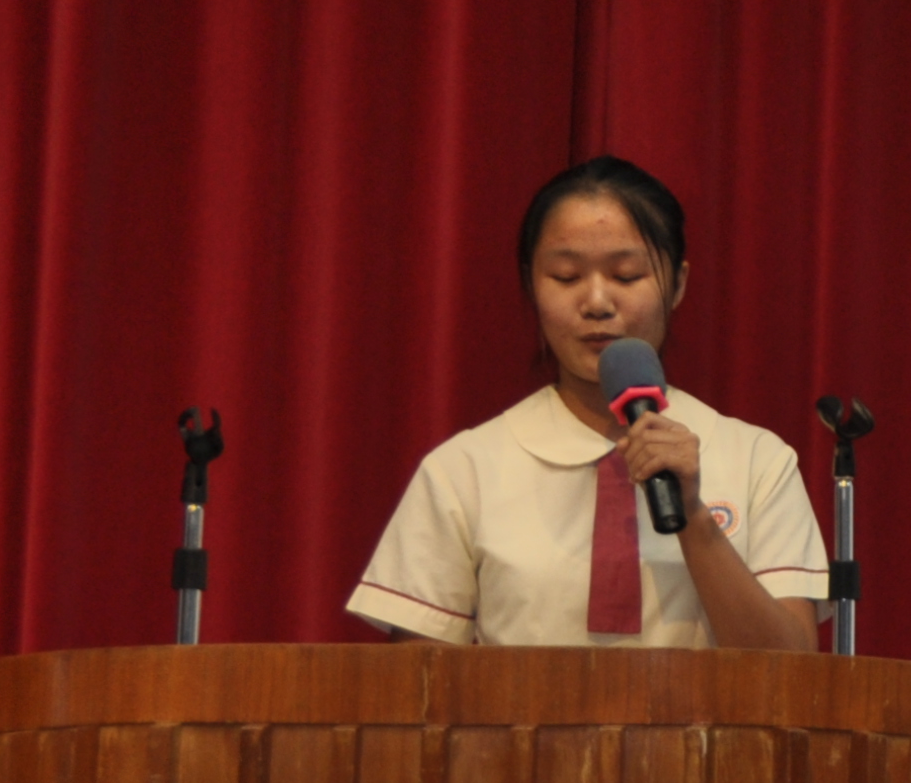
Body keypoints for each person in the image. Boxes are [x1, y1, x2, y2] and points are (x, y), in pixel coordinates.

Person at [348, 157, 831, 650]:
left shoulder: (757, 462)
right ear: (531, 285)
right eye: (566, 276)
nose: (597, 302)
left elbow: (790, 671)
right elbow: (420, 683)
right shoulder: (464, 470)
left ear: (678, 284)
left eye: (626, 275)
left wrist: (692, 515)